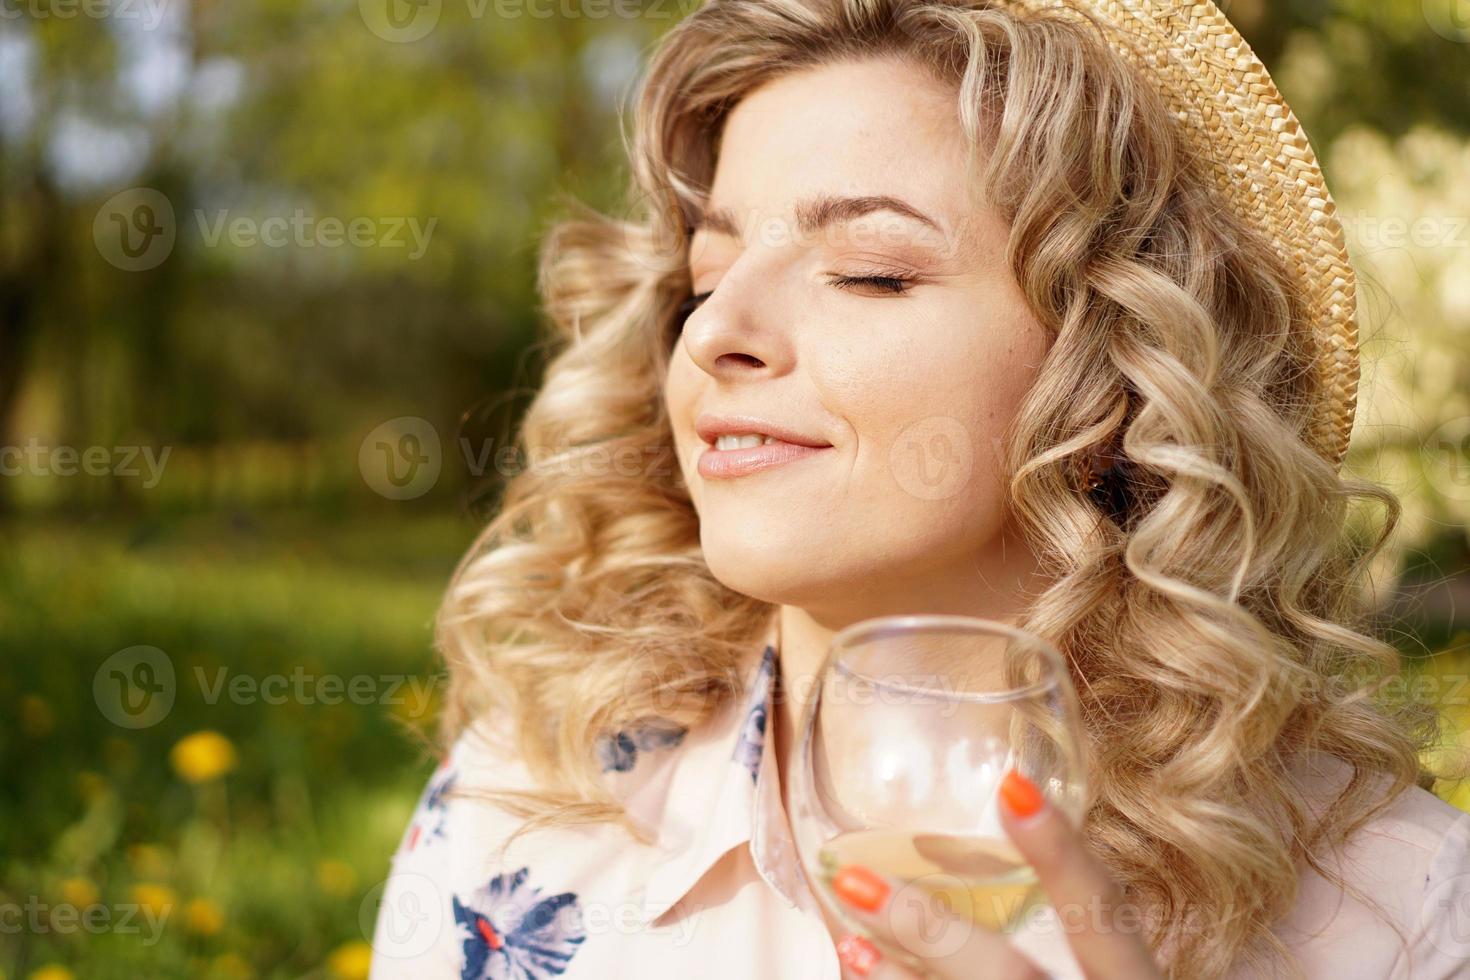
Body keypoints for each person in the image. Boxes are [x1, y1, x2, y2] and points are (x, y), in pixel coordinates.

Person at [369, 0, 1470, 977]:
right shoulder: (518, 811)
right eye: (707, 274)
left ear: (1116, 371)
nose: (714, 331)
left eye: (870, 272)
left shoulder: (1397, 910)